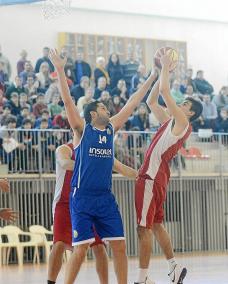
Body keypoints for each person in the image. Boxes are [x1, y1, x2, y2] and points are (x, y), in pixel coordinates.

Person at [49, 49, 157, 284]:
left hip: (105, 198)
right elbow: (67, 100)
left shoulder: (110, 128)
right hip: (82, 198)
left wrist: (152, 76)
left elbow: (132, 102)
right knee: (80, 249)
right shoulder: (81, 129)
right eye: (104, 108)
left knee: (119, 245)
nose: (108, 110)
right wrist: (59, 68)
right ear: (92, 113)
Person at [134, 51, 203, 284]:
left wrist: (165, 67)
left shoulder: (183, 122)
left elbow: (165, 92)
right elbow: (151, 101)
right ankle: (174, 268)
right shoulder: (171, 122)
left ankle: (142, 278)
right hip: (159, 176)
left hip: (152, 175)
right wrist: (156, 73)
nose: (180, 103)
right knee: (155, 224)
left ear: (190, 112)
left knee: (143, 229)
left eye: (184, 104)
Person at [48, 139, 138, 284]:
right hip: (64, 204)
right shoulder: (65, 149)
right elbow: (65, 163)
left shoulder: (98, 150)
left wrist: (140, 175)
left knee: (99, 248)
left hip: (90, 203)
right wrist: (92, 166)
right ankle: (50, 281)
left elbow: (121, 168)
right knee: (59, 245)